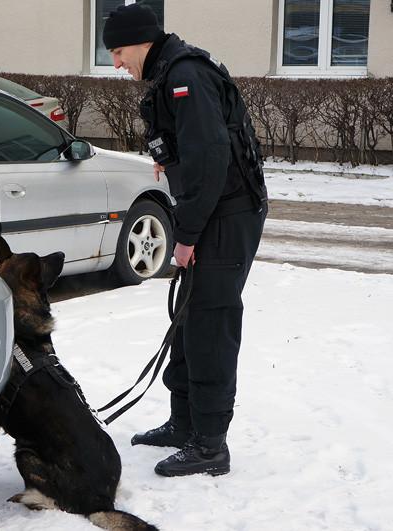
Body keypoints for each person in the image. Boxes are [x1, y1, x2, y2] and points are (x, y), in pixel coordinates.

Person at [102, 4, 268, 477]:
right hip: (212, 208)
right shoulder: (172, 73)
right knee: (189, 315)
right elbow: (195, 147)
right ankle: (184, 422)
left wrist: (187, 235)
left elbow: (211, 159)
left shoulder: (186, 76)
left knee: (211, 322)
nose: (116, 63)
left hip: (227, 214)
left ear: (143, 41)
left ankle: (210, 444)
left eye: (118, 50)